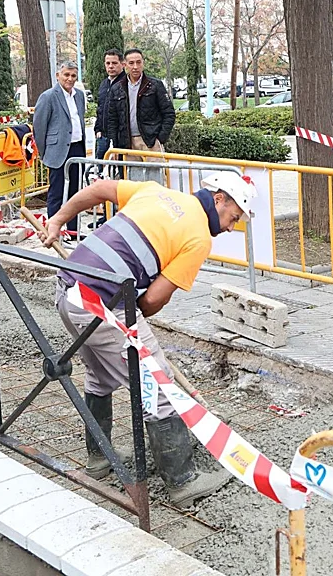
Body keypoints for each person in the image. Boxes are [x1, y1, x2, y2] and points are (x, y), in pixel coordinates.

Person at [42, 171, 257, 506]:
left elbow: (99, 189)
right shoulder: (199, 237)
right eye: (234, 217)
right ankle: (183, 481)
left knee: (100, 377)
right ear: (219, 199)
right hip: (103, 305)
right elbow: (155, 297)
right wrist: (136, 318)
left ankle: (99, 458)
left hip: (68, 291)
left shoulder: (155, 192)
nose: (231, 227)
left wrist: (57, 220)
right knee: (159, 388)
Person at [33, 62, 87, 238]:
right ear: (58, 76)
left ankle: (72, 231)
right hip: (57, 151)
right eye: (66, 75)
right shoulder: (48, 96)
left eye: (73, 75)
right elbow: (39, 127)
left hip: (77, 148)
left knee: (75, 194)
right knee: (56, 192)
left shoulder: (79, 95)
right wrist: (45, 153)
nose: (70, 79)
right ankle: (52, 231)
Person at [105, 48, 175, 155]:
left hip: (151, 142)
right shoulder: (117, 88)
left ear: (143, 63)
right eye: (131, 63)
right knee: (130, 168)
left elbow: (169, 113)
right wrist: (115, 144)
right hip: (127, 144)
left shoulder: (155, 85)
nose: (135, 67)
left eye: (138, 62)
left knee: (155, 167)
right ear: (125, 65)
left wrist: (160, 138)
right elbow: (112, 119)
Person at [93, 48, 124, 164]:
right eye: (108, 63)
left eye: (114, 63)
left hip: (119, 137)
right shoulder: (103, 84)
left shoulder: (126, 84)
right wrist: (97, 129)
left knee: (120, 169)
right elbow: (100, 109)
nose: (111, 66)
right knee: (99, 168)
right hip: (102, 136)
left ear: (122, 64)